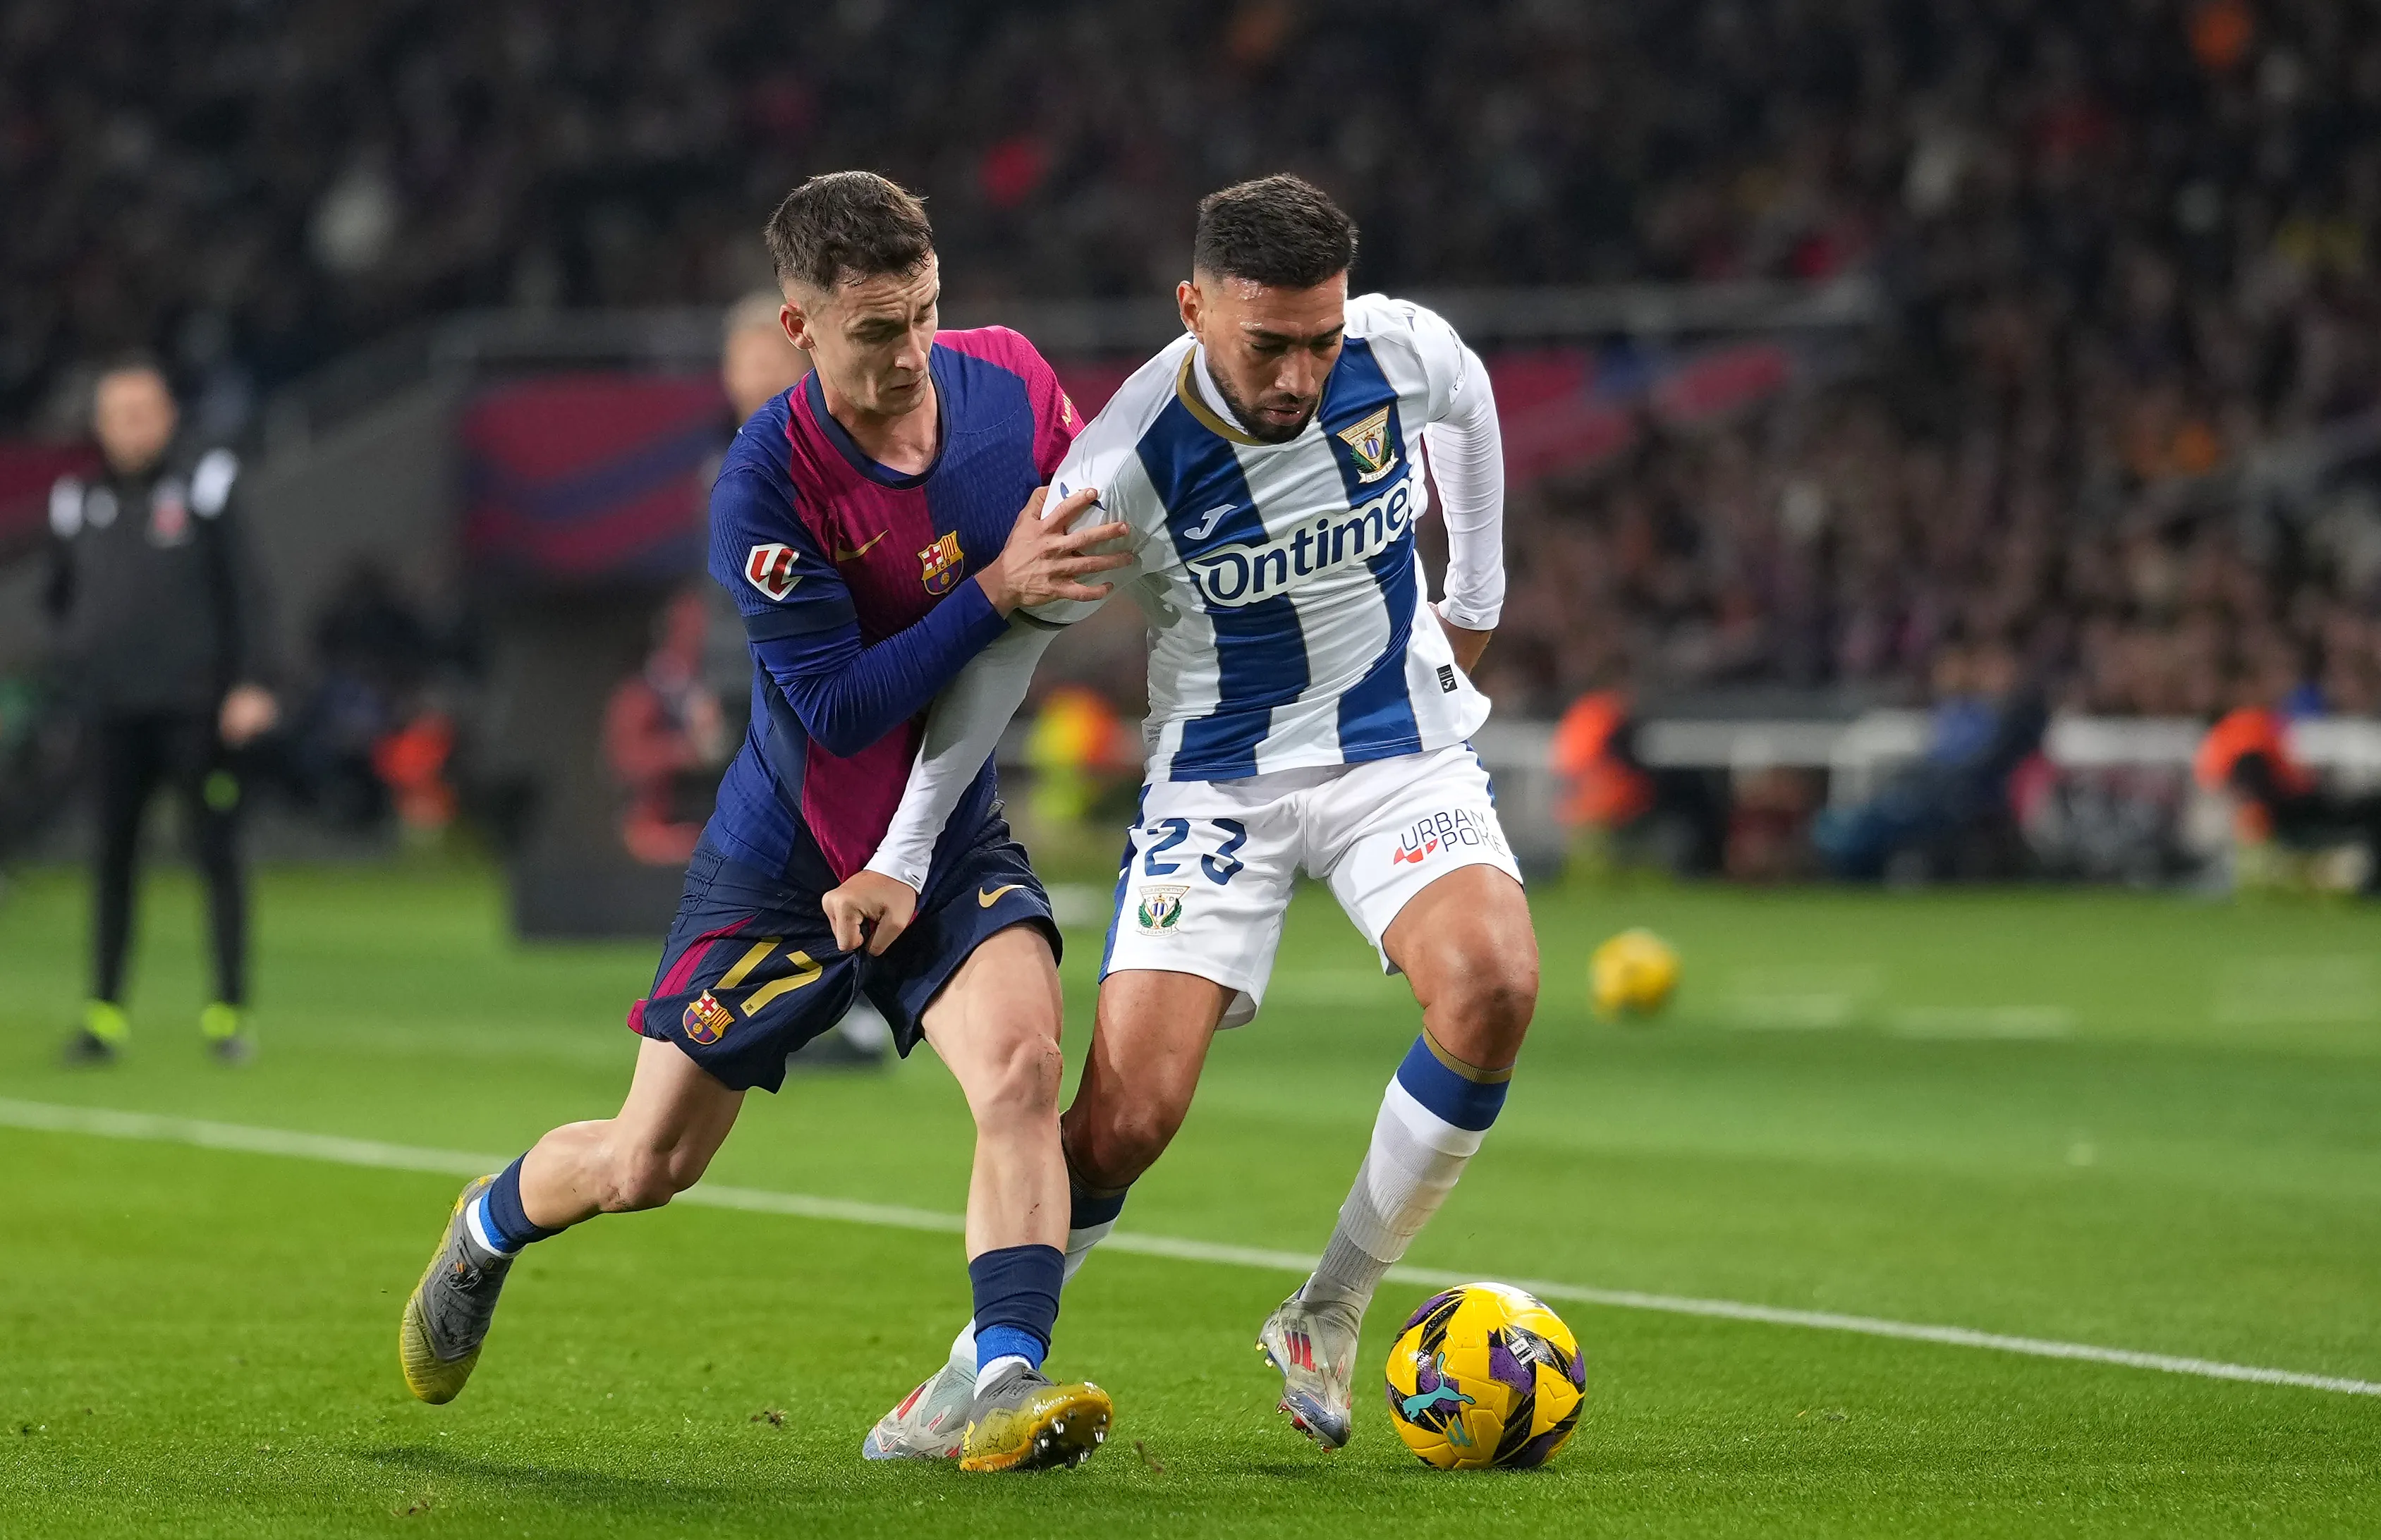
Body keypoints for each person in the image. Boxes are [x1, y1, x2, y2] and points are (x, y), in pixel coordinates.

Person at [396, 172, 1134, 1474]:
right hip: (787, 857)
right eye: (871, 331)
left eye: (921, 315)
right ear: (800, 327)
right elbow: (843, 706)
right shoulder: (765, 484)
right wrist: (997, 588)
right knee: (645, 1163)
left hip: (948, 827)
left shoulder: (1010, 380)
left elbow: (1086, 533)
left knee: (1020, 1070)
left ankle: (1003, 1378)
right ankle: (491, 1219)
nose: (908, 354)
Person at [838, 176, 1537, 1455]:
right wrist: (899, 845)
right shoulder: (1123, 460)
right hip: (1219, 781)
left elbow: (1470, 396)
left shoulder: (1398, 347)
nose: (1299, 373)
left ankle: (1328, 1309)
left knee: (1492, 985)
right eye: (1267, 343)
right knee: (1127, 1118)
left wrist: (1472, 591)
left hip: (1396, 750)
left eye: (1319, 339)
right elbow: (1001, 661)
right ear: (1193, 306)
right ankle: (970, 1374)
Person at [46, 357, 279, 1065]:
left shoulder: (206, 489)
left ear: (169, 416)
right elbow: (60, 600)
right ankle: (104, 1014)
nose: (132, 427)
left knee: (214, 857)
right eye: (118, 414)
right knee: (111, 860)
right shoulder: (76, 501)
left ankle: (228, 1013)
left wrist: (251, 681)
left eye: (144, 411)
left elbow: (247, 590)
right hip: (111, 710)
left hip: (194, 709)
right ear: (99, 424)